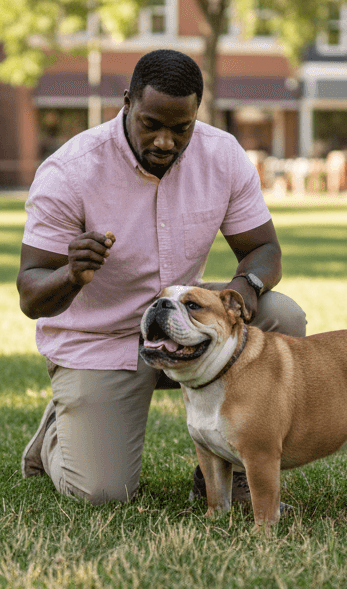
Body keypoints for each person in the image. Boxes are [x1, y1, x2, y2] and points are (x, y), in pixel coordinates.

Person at [16, 49, 307, 504]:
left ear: (197, 114)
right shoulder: (70, 171)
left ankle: (221, 476)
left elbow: (263, 250)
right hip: (101, 341)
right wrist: (72, 274)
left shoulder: (222, 155)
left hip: (184, 326)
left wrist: (245, 289)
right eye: (151, 124)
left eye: (181, 128)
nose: (166, 142)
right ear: (127, 103)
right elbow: (31, 295)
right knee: (103, 492)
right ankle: (59, 432)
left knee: (281, 315)